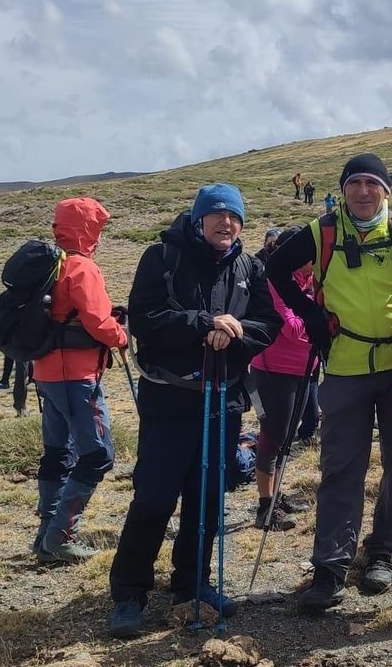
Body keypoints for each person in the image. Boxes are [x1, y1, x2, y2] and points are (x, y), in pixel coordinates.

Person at [264, 153, 392, 612]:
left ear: (386, 190)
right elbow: (274, 270)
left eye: (371, 183)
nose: (362, 191)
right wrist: (311, 316)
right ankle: (331, 567)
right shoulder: (322, 233)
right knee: (341, 467)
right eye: (354, 183)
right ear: (342, 190)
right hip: (344, 364)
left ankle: (381, 552)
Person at [109, 184, 278, 638]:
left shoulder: (250, 267)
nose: (226, 223)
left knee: (206, 497)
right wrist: (204, 325)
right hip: (170, 398)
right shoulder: (163, 257)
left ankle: (192, 585)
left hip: (223, 400)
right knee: (155, 495)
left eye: (234, 217)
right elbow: (146, 319)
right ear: (199, 219)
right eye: (217, 215)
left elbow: (270, 325)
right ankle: (129, 594)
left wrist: (237, 330)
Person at [28, 198, 130, 565]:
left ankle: (44, 536)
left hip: (45, 374)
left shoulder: (50, 265)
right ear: (87, 229)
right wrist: (122, 336)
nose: (99, 237)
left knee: (59, 452)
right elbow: (98, 324)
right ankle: (59, 536)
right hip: (76, 376)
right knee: (98, 455)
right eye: (97, 229)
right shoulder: (81, 268)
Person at [249, 226, 319, 531]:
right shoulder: (275, 279)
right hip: (273, 369)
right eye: (308, 254)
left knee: (288, 436)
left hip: (304, 367)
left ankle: (276, 495)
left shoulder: (311, 280)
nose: (313, 260)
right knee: (273, 436)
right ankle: (265, 508)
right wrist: (321, 324)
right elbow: (289, 326)